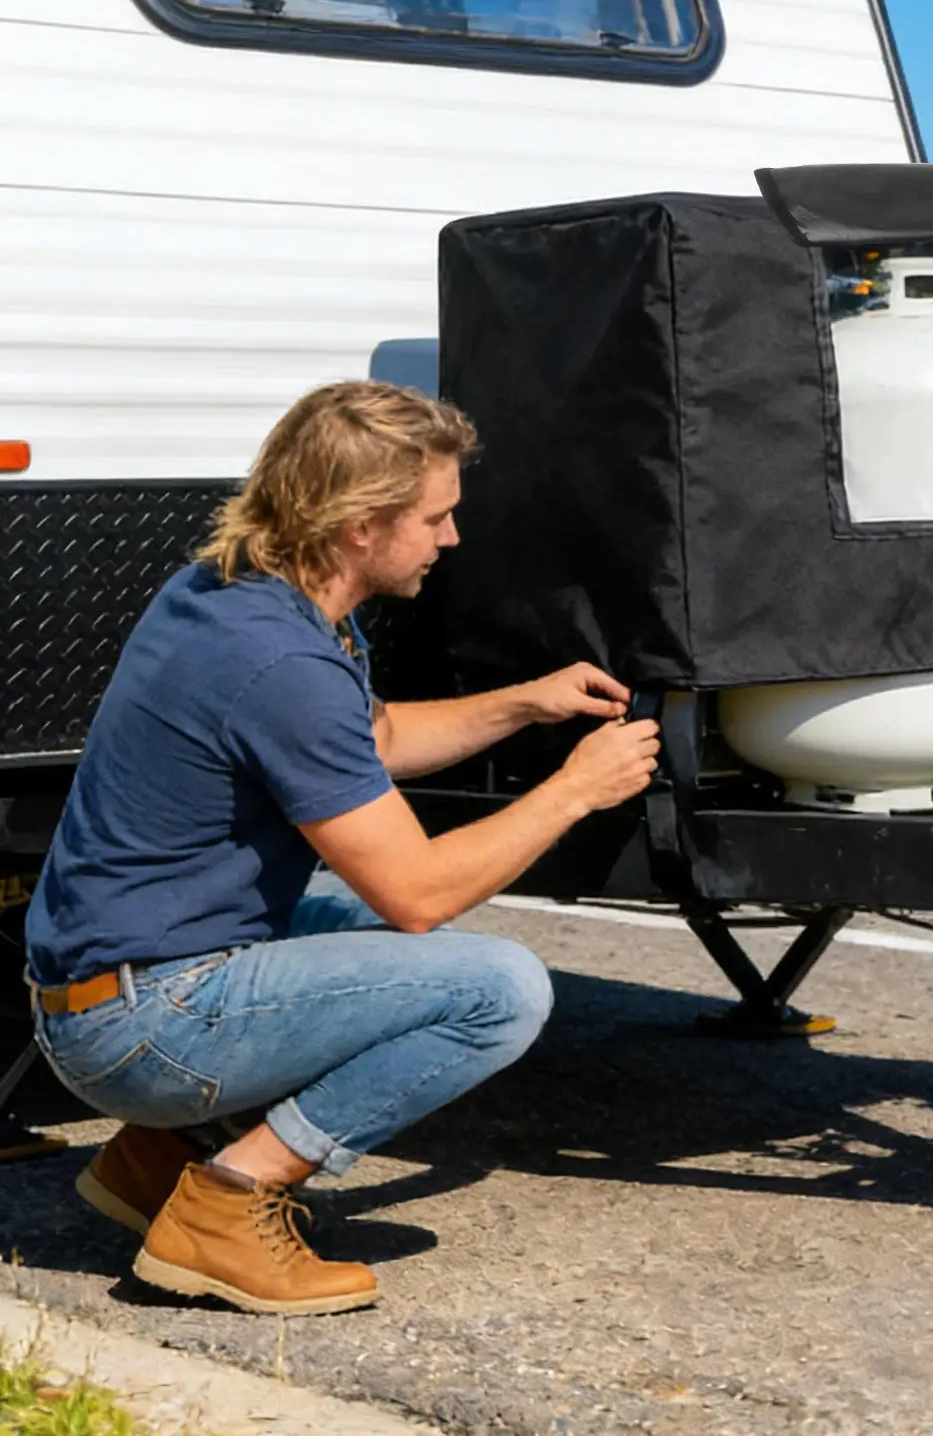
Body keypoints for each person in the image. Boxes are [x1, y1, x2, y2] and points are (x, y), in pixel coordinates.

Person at [25, 381, 661, 1313]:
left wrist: (528, 700)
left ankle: (157, 1161)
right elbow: (418, 890)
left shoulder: (248, 590)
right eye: (435, 516)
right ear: (361, 525)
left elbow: (376, 740)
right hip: (142, 1022)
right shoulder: (279, 659)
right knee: (496, 988)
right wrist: (575, 788)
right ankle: (227, 1201)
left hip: (114, 983)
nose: (450, 537)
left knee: (394, 944)